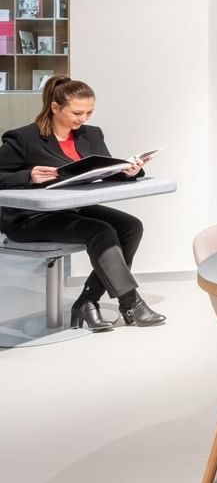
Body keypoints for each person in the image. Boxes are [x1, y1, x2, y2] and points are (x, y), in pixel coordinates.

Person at [0, 77, 165, 331]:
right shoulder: (24, 138)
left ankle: (88, 300)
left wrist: (129, 171)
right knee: (101, 231)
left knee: (131, 226)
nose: (83, 119)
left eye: (89, 112)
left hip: (69, 208)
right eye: (77, 113)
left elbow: (106, 170)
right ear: (55, 107)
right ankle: (130, 303)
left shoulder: (91, 134)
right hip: (29, 217)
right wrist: (27, 176)